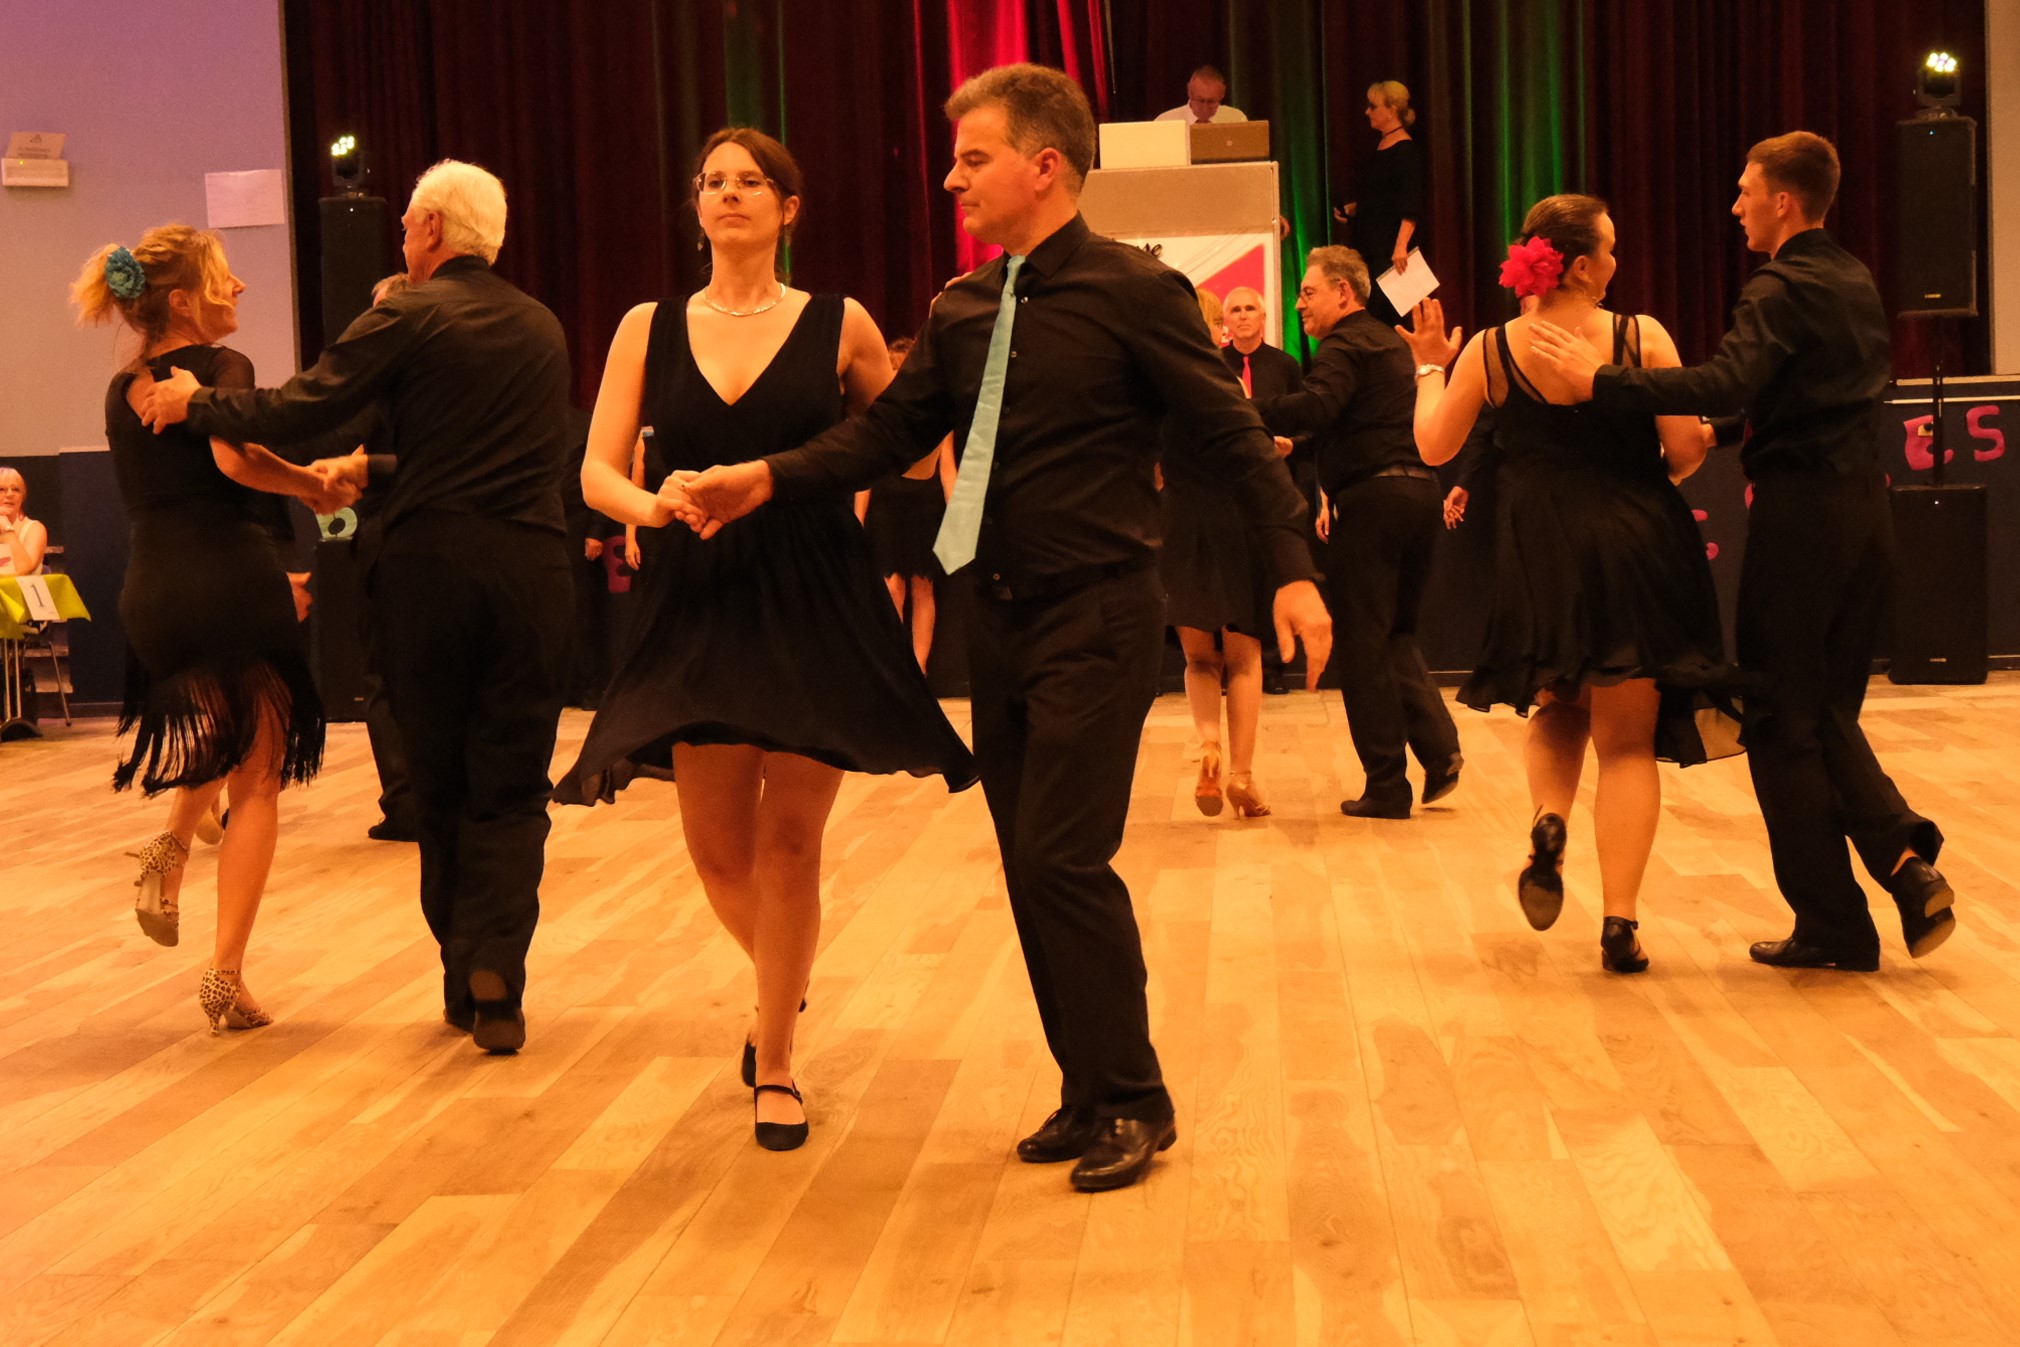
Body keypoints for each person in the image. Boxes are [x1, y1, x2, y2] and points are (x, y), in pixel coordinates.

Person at [671, 64, 1331, 1192]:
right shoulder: (963, 308)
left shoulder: (1136, 292)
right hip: (1001, 617)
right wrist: (765, 478)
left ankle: (1135, 1098)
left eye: (973, 159)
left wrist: (1293, 575)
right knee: (1029, 865)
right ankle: (1089, 1090)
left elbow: (1229, 436)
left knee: (1064, 855)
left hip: (1100, 610)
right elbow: (884, 437)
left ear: (1045, 166)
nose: (952, 179)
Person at [553, 128, 977, 1150]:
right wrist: (652, 507)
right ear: (696, 207)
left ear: (788, 209)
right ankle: (783, 983)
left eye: (751, 181)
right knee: (717, 853)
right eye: (713, 181)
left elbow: (900, 443)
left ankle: (776, 1059)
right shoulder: (646, 326)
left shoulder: (840, 321)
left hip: (814, 589)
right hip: (698, 591)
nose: (729, 193)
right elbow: (596, 472)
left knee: (791, 842)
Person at [141, 160, 575, 1052]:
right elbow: (491, 457)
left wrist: (199, 401)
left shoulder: (408, 313)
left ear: (431, 229)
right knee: (514, 781)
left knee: (438, 776)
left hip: (429, 573)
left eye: (408, 224)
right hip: (532, 573)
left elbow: (300, 405)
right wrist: (371, 468)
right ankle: (495, 970)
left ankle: (462, 967)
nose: (403, 237)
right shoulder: (542, 325)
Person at [1529, 132, 1956, 970]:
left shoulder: (1780, 285)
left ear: (1782, 201)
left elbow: (1726, 379)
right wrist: (1716, 430)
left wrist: (1601, 382)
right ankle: (1900, 871)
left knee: (1777, 719)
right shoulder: (1853, 278)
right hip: (1865, 516)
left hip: (1803, 525)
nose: (1735, 207)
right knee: (1821, 712)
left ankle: (1849, 911)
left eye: (1745, 191)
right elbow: (1790, 395)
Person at [1403, 195, 1728, 972]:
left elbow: (1434, 444)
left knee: (1557, 704)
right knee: (1627, 741)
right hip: (1636, 541)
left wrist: (1428, 366)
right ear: (1581, 265)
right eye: (1610, 249)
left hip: (1539, 548)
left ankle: (1550, 819)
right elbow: (1684, 450)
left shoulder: (1492, 347)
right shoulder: (1640, 335)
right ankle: (1620, 922)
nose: (1617, 261)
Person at [72, 224, 351, 1032]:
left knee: (227, 736)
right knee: (257, 779)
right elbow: (234, 463)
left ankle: (168, 848)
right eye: (227, 276)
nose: (241, 287)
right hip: (228, 576)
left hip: (152, 592)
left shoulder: (121, 386)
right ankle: (224, 975)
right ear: (185, 301)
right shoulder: (223, 368)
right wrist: (312, 487)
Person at [1253, 246, 1460, 818]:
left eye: (1308, 292)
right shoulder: (1390, 344)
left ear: (1344, 293)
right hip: (1420, 494)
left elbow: (1319, 405)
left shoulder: (1344, 343)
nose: (1299, 304)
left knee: (1362, 646)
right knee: (1395, 633)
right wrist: (1302, 447)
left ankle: (1387, 786)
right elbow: (1353, 419)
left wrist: (1243, 411)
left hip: (1373, 504)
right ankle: (1440, 751)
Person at [1162, 289, 1281, 818]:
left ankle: (1209, 746)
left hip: (1180, 521)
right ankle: (1241, 776)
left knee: (1197, 658)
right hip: (1235, 521)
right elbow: (1249, 451)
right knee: (1244, 658)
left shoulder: (1159, 384)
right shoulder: (1226, 381)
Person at [855, 336, 955, 672]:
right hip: (887, 503)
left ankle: (919, 668)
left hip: (925, 505)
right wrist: (858, 517)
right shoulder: (879, 415)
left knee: (923, 585)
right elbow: (867, 472)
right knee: (892, 585)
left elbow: (947, 467)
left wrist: (959, 518)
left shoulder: (937, 415)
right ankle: (899, 665)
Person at [1332, 80, 1424, 327]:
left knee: (1391, 316)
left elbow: (1410, 203)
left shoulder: (1406, 152)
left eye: (1373, 106)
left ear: (1391, 111)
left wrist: (1400, 247)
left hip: (1390, 253)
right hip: (1371, 247)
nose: (1367, 112)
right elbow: (1383, 196)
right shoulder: (1382, 145)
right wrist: (1356, 209)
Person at [1154, 65, 1246, 124]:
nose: (1205, 108)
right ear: (1189, 92)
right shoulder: (1166, 122)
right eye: (1200, 101)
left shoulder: (1236, 120)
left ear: (1222, 94)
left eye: (1211, 102)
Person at [0, 468, 49, 575]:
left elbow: (23, 570)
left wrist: (6, 528)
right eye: (1, 489)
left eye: (16, 490)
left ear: (22, 497)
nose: (9, 494)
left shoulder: (35, 529)